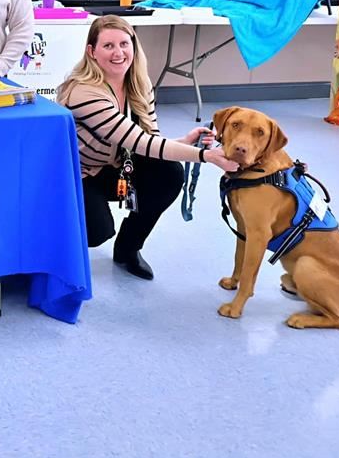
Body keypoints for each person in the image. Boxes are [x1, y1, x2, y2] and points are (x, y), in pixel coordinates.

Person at [56, 15, 239, 280]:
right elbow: (138, 141)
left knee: (168, 173)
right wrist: (206, 156)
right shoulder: (83, 92)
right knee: (98, 232)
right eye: (108, 46)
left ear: (133, 46)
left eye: (124, 43)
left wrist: (184, 142)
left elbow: (149, 140)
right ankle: (43, 248)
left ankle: (128, 248)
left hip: (114, 169)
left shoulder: (140, 85)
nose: (118, 53)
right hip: (77, 175)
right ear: (91, 52)